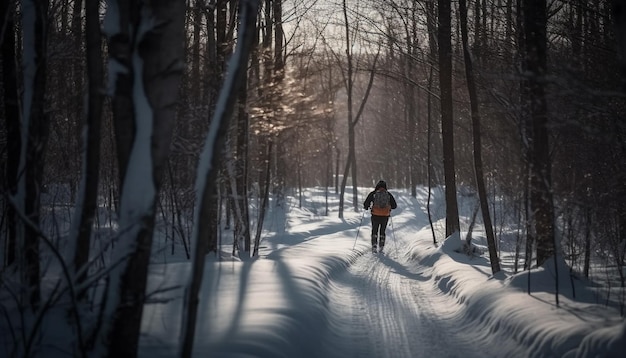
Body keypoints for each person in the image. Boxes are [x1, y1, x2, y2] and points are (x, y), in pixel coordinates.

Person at [363, 180, 397, 253]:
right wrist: (389, 207)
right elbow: (394, 206)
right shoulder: (388, 194)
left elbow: (366, 203)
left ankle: (374, 245)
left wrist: (367, 207)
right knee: (382, 231)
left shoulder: (373, 193)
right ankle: (381, 246)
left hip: (375, 214)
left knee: (374, 230)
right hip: (385, 215)